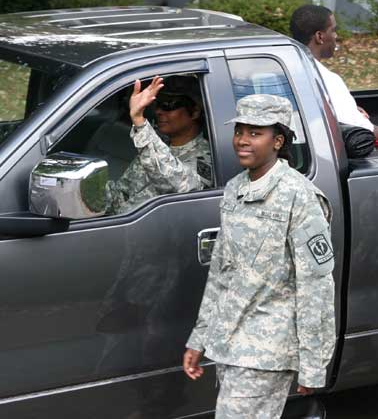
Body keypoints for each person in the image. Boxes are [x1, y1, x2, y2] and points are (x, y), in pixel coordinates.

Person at [183, 94, 336, 417]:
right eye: (240, 131)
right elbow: (220, 273)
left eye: (255, 133)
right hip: (231, 344)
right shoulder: (235, 189)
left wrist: (312, 363)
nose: (242, 140)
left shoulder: (299, 197)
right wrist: (200, 338)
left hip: (268, 351)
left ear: (278, 140)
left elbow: (316, 287)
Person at [289, 4, 378, 141]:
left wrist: (349, 108)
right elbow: (366, 132)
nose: (336, 35)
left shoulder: (285, 66)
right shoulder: (328, 80)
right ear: (320, 37)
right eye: (333, 30)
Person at [105, 75, 212, 214]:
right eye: (158, 104)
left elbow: (177, 185)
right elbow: (121, 196)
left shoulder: (208, 157)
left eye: (168, 105)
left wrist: (139, 120)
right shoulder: (157, 146)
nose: (158, 111)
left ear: (195, 111)